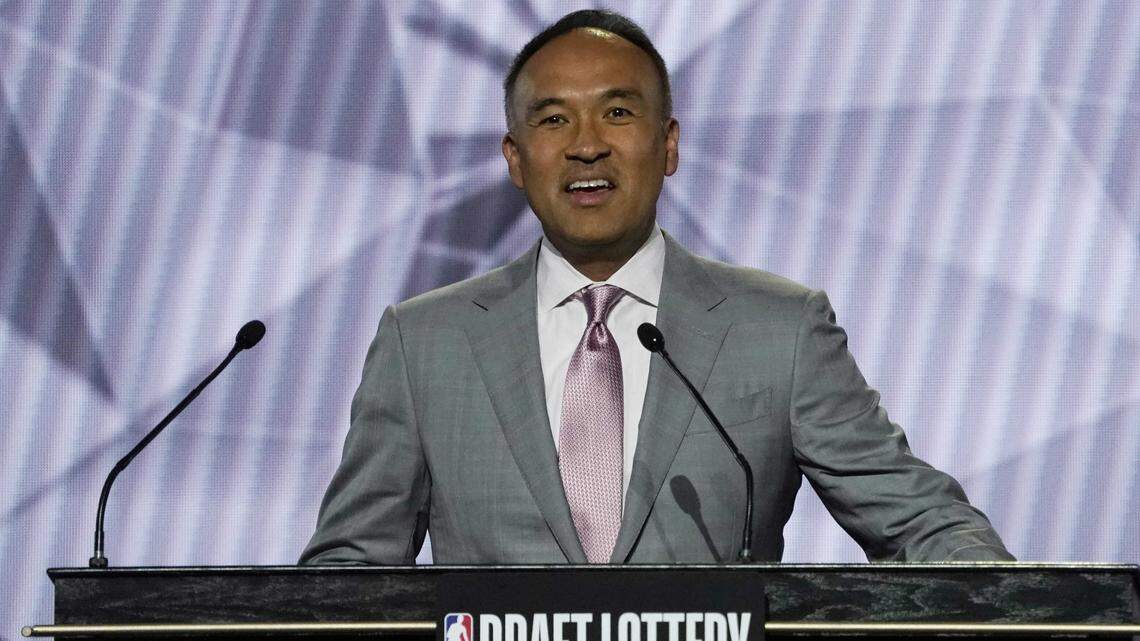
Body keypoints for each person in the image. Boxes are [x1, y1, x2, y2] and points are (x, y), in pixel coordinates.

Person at [300, 10, 1013, 565]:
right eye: (553, 120)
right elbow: (350, 569)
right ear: (515, 158)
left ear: (667, 145)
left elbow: (922, 522)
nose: (586, 143)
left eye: (617, 112)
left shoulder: (781, 330)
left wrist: (1022, 602)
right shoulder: (425, 342)